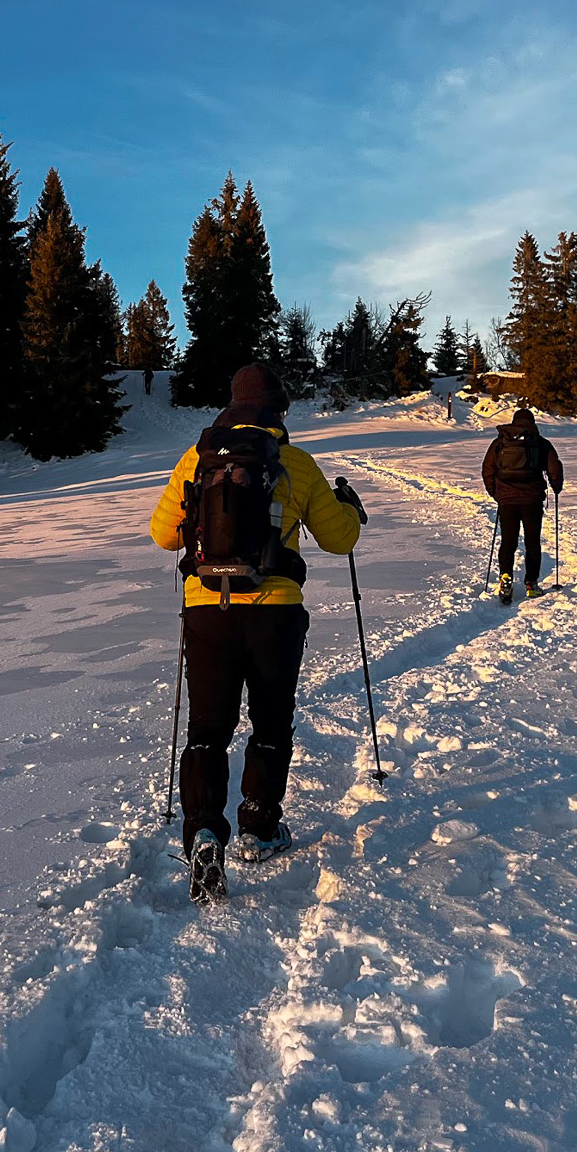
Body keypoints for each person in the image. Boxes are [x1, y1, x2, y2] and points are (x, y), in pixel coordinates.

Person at [150, 363, 364, 903]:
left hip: (206, 610)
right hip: (275, 613)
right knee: (271, 721)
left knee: (207, 728)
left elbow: (161, 535)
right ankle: (260, 828)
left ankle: (203, 830)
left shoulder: (197, 459)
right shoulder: (295, 462)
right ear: (277, 410)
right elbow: (339, 541)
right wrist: (351, 511)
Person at [482, 406, 564, 603]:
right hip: (532, 500)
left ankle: (505, 578)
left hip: (507, 500)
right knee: (532, 542)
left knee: (508, 541)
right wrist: (556, 487)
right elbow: (555, 468)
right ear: (532, 423)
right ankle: (531, 584)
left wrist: (497, 494)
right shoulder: (540, 443)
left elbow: (487, 470)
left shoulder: (499, 443)